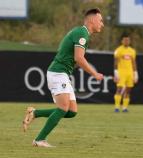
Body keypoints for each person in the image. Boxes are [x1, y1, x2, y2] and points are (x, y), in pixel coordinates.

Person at [22, 8, 104, 147]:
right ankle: (39, 140)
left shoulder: (81, 33)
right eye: (100, 20)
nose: (102, 24)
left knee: (71, 112)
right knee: (63, 108)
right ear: (92, 20)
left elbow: (73, 58)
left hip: (62, 73)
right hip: (58, 73)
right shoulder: (82, 33)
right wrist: (94, 74)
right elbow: (79, 58)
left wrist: (75, 65)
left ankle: (35, 113)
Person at [113, 34, 138, 112]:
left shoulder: (132, 51)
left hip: (130, 73)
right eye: (125, 40)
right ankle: (117, 107)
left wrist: (136, 73)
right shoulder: (119, 50)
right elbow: (116, 62)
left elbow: (134, 63)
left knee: (128, 90)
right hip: (121, 72)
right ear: (122, 41)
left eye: (128, 40)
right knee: (119, 88)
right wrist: (116, 73)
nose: (126, 41)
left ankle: (124, 107)